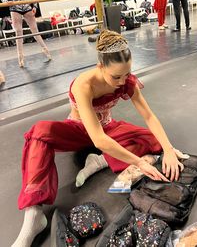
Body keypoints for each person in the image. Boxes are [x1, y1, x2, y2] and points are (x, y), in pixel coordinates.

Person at [12, 30, 187, 247]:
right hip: (79, 131)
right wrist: (139, 162)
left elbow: (149, 116)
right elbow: (97, 138)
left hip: (107, 128)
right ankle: (32, 216)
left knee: (150, 139)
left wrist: (168, 149)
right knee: (39, 132)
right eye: (116, 76)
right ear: (100, 66)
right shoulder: (83, 84)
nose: (122, 81)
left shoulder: (126, 81)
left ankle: (99, 161)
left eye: (127, 74)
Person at [0, 0, 52, 68]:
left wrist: (35, 6)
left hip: (27, 7)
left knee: (35, 31)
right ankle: (21, 59)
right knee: (19, 33)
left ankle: (46, 51)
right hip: (15, 9)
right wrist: (6, 2)